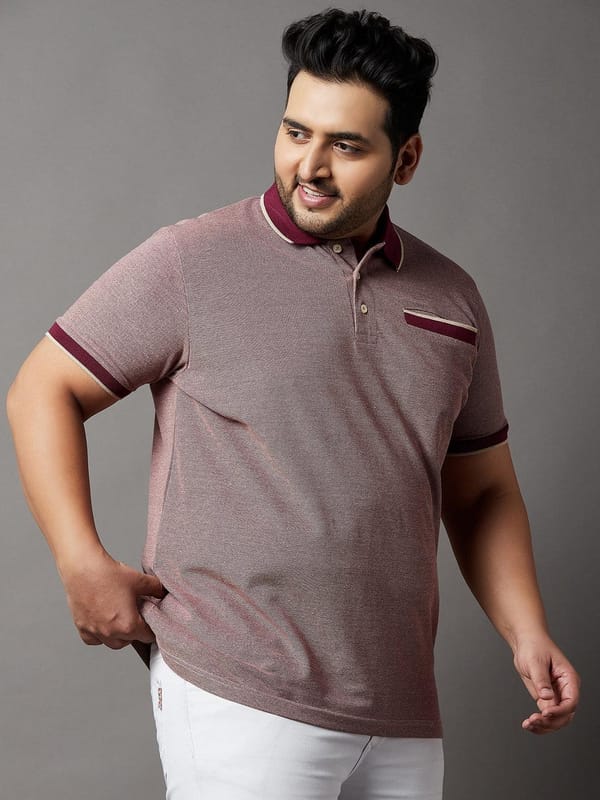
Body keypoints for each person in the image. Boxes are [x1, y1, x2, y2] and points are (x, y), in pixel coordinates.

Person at [7, 8, 579, 800]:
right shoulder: (193, 259)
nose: (310, 165)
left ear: (406, 159)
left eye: (346, 145)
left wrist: (526, 630)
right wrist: (80, 562)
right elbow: (43, 387)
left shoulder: (453, 299)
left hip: (402, 707)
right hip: (239, 692)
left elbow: (480, 491)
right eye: (295, 132)